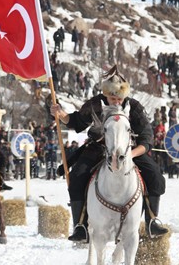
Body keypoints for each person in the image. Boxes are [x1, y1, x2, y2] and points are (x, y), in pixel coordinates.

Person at [50, 65, 169, 241]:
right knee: (77, 176)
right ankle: (80, 226)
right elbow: (77, 122)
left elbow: (146, 138)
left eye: (119, 98)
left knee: (156, 176)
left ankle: (152, 220)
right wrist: (61, 114)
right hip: (98, 149)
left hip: (129, 150)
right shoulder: (94, 104)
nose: (116, 101)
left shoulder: (134, 107)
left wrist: (130, 155)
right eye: (113, 98)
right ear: (106, 94)